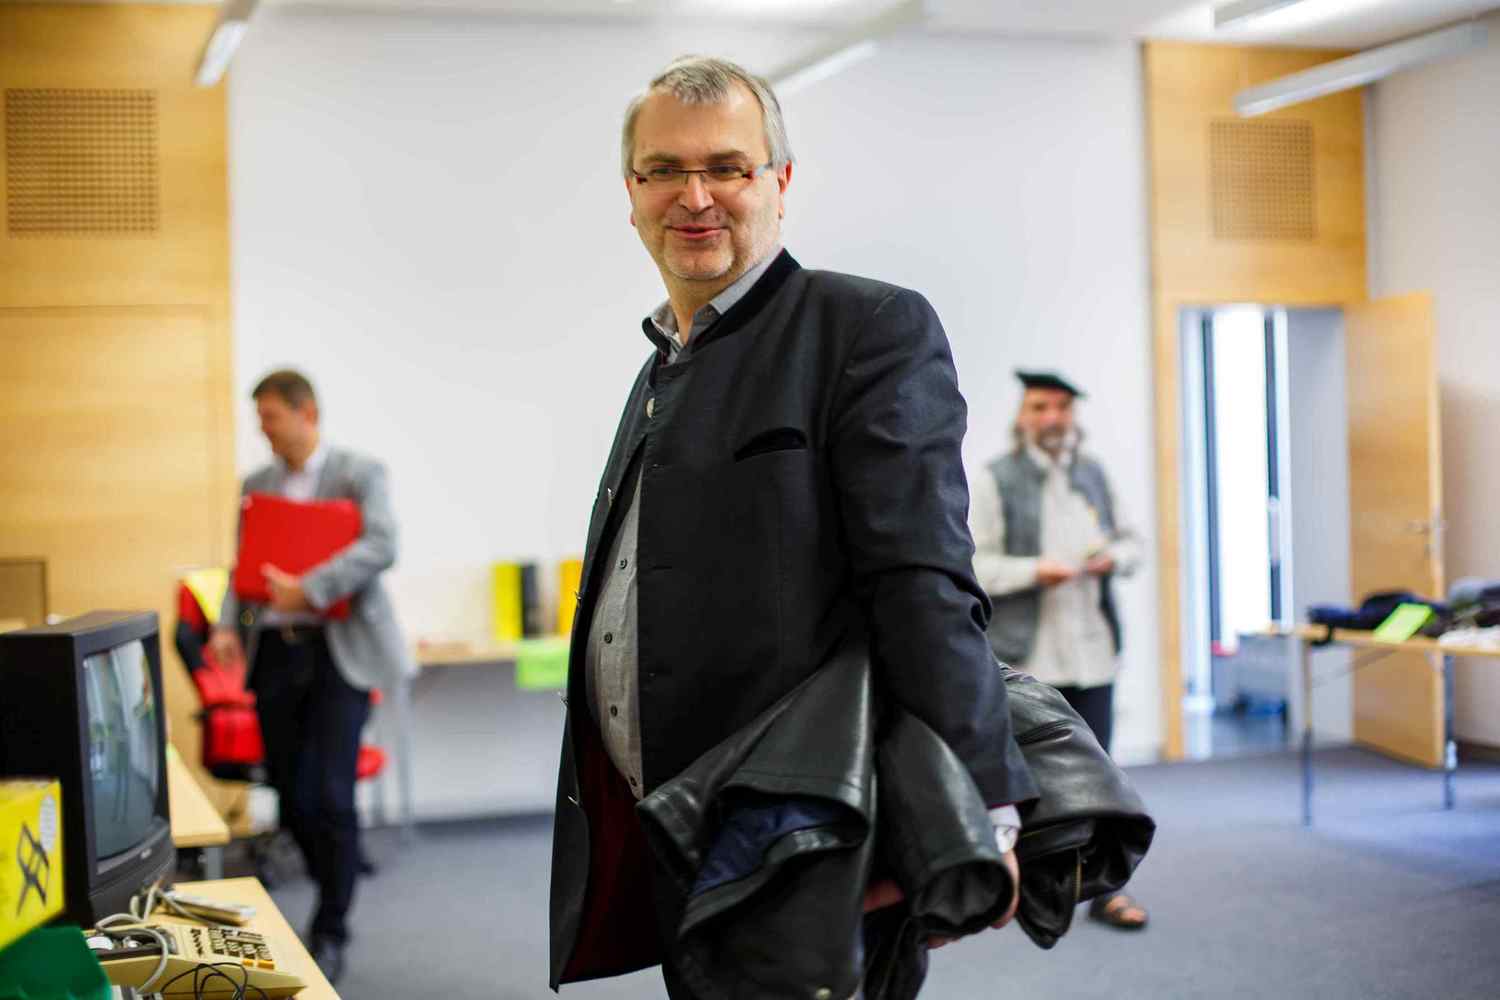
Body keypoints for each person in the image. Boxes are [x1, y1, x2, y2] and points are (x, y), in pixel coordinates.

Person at [548, 56, 1037, 997]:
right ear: (631, 193)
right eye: (664, 170)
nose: (695, 197)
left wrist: (985, 808)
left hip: (803, 828)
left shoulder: (865, 328)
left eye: (727, 167)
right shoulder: (662, 362)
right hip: (683, 826)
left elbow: (922, 581)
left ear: (779, 180)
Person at [208, 369, 415, 982]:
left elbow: (382, 545)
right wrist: (226, 625)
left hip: (337, 653)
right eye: (260, 420)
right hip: (275, 653)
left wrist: (310, 588)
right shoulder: (256, 486)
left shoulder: (359, 473)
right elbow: (242, 567)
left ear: (307, 414)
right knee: (290, 794)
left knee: (331, 795)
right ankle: (334, 875)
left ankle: (331, 925)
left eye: (271, 418)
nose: (264, 431)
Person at [969, 368, 1148, 930]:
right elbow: (975, 565)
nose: (1051, 418)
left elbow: (1134, 544)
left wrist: (1113, 559)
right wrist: (1034, 571)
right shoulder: (995, 479)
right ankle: (1025, 889)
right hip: (1028, 661)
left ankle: (1107, 891)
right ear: (1022, 415)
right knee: (1026, 781)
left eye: (1061, 408)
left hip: (1092, 655)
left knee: (1101, 774)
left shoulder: (1092, 474)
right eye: (1040, 407)